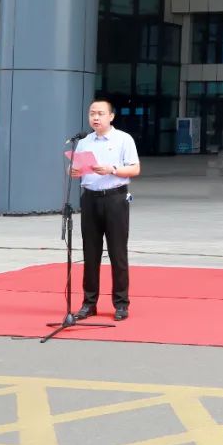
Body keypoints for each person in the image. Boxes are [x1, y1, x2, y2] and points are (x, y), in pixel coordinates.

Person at [72, 99, 141, 322]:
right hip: (90, 199)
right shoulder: (84, 142)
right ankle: (88, 303)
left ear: (111, 116)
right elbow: (79, 167)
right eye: (92, 113)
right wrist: (73, 171)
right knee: (90, 253)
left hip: (115, 199)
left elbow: (135, 168)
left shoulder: (123, 139)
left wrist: (112, 169)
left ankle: (121, 303)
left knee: (117, 253)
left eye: (100, 113)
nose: (95, 117)